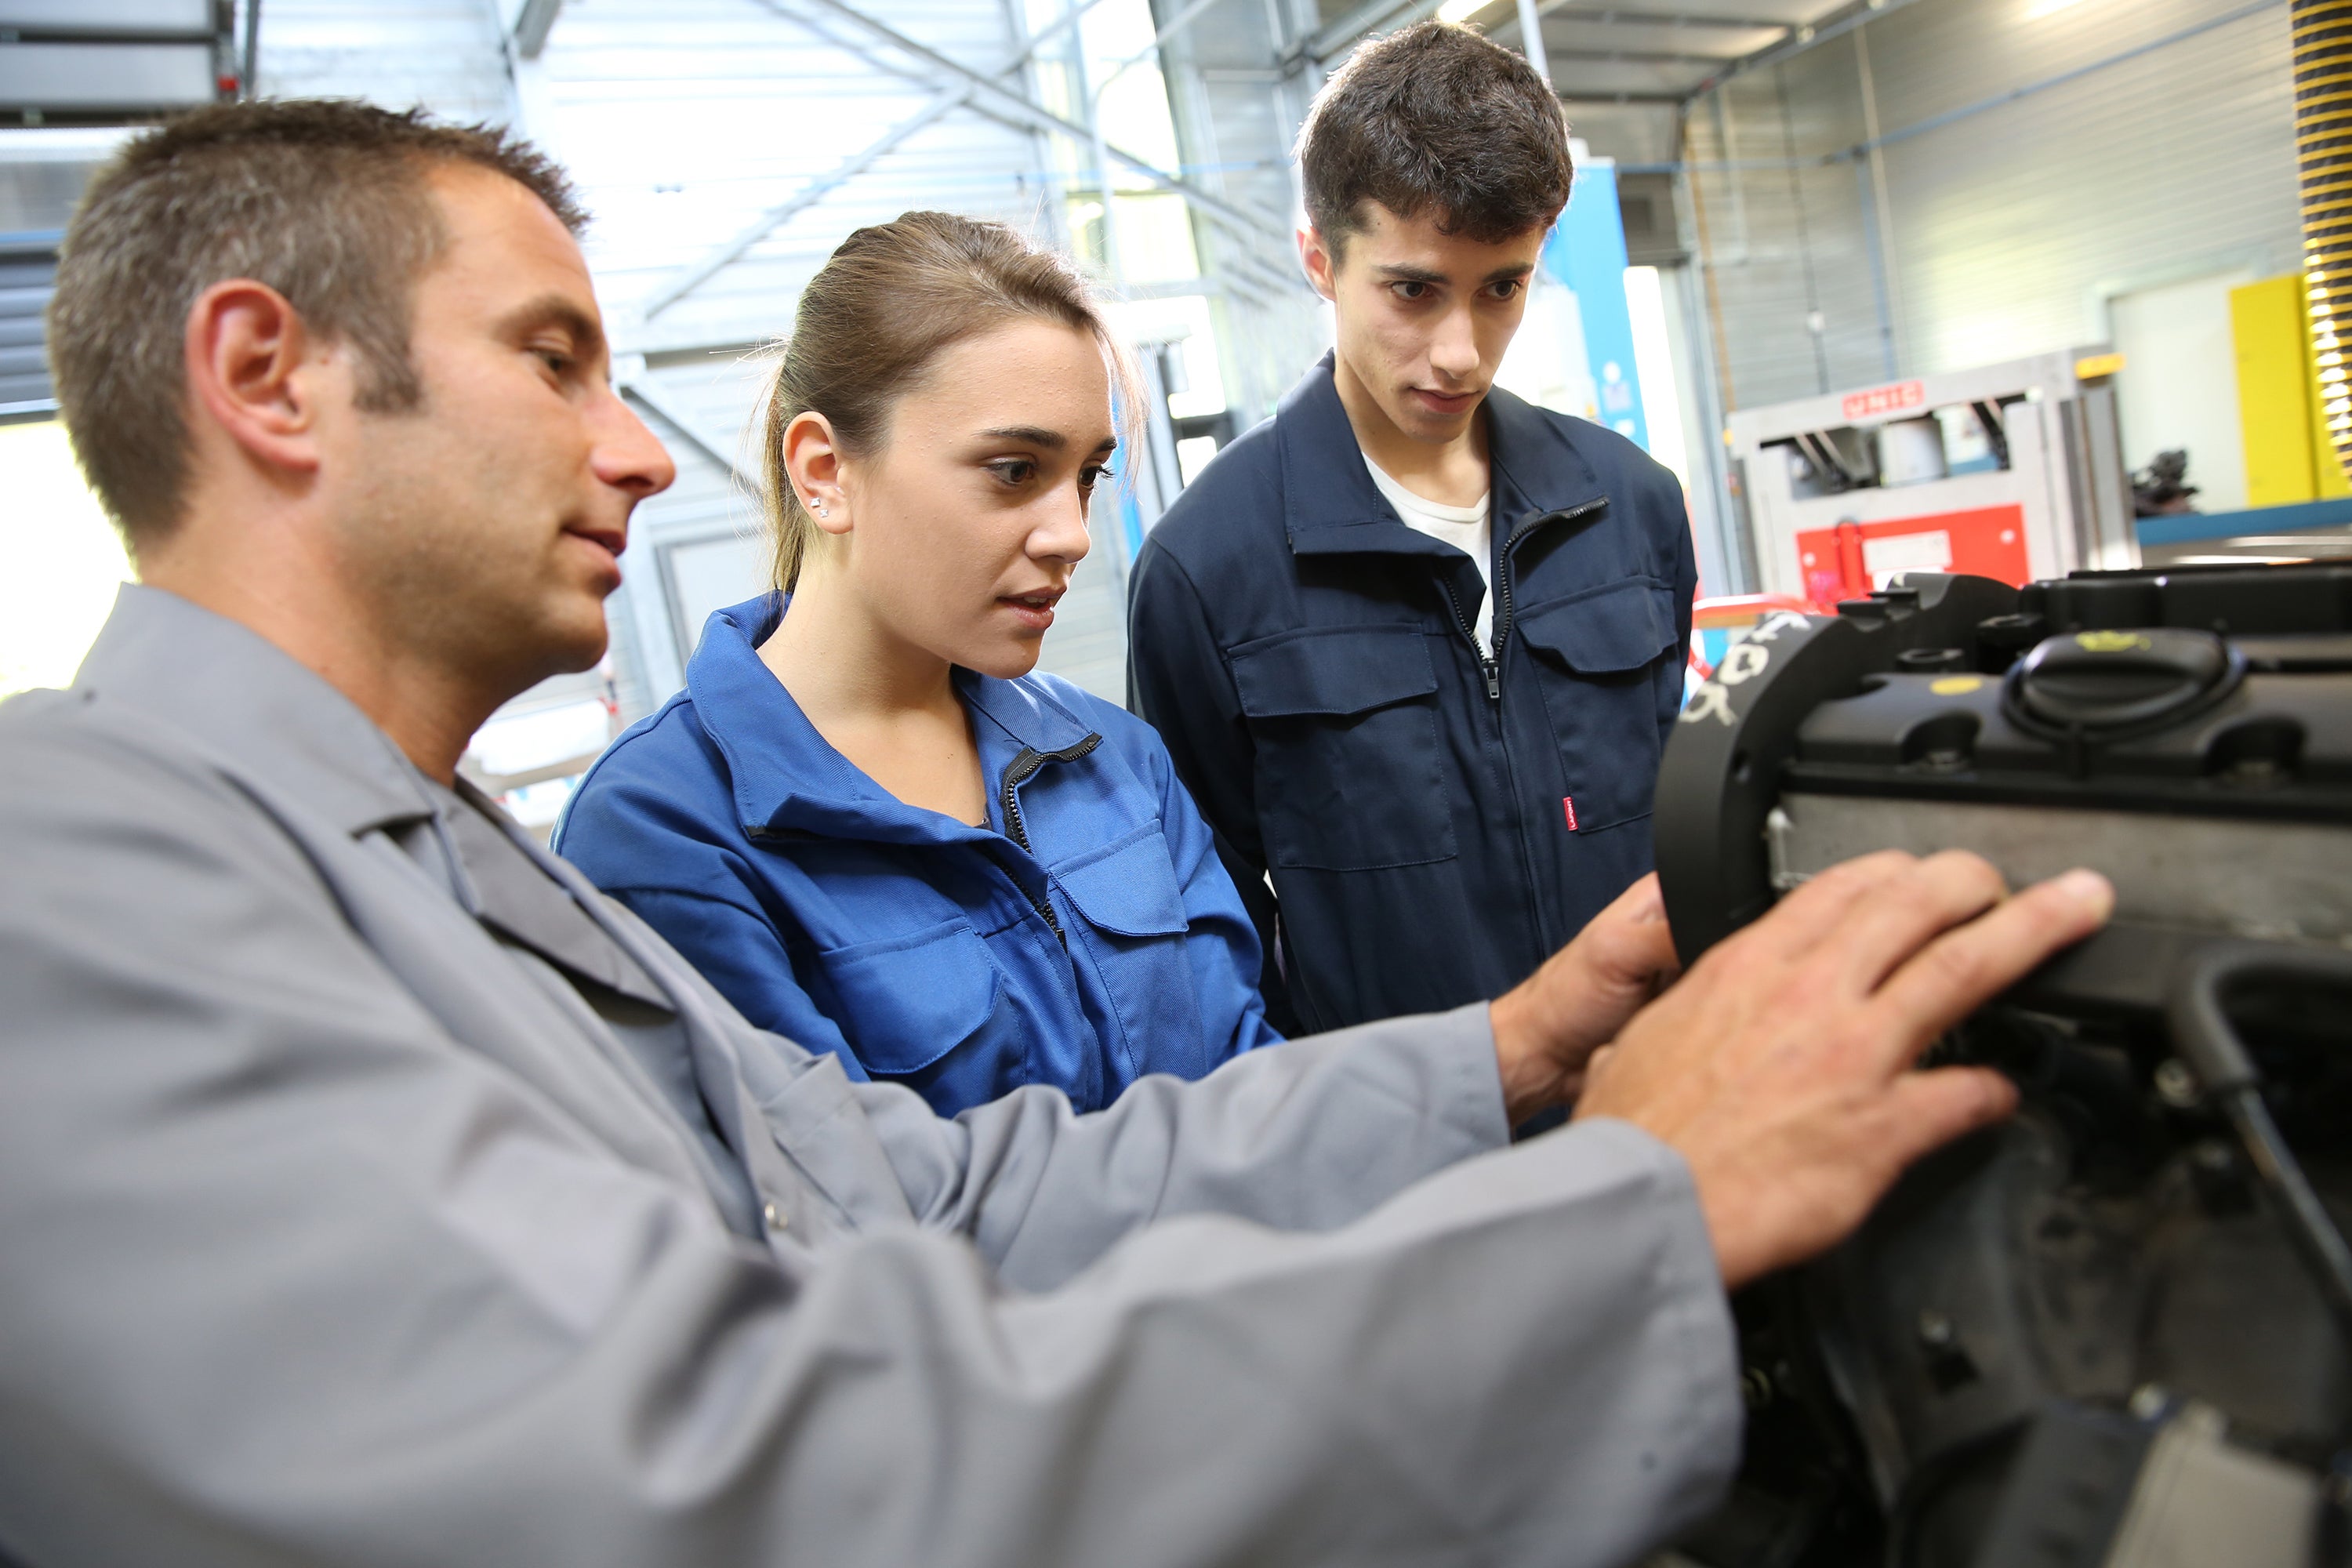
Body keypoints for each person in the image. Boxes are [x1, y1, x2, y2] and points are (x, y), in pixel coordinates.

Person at [0, 98, 2113, 1566]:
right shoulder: (71, 879)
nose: (639, 453)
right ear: (269, 377)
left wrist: (1517, 1050)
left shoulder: (466, 880)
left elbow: (954, 1195)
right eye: (552, 360)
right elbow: (740, 1467)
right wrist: (1638, 1211)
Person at [555, 214, 1278, 1117]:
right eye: (1014, 469)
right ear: (824, 470)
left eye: (1087, 474)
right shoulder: (668, 834)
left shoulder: (1114, 762)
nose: (1073, 535)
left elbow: (1254, 1098)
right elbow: (841, 1209)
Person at [1129, 22, 1698, 1039]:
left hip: (1650, 1093)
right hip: (1409, 1156)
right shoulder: (1207, 570)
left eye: (1502, 289)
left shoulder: (1630, 506)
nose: (1460, 353)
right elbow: (1210, 931)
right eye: (1414, 289)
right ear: (1320, 259)